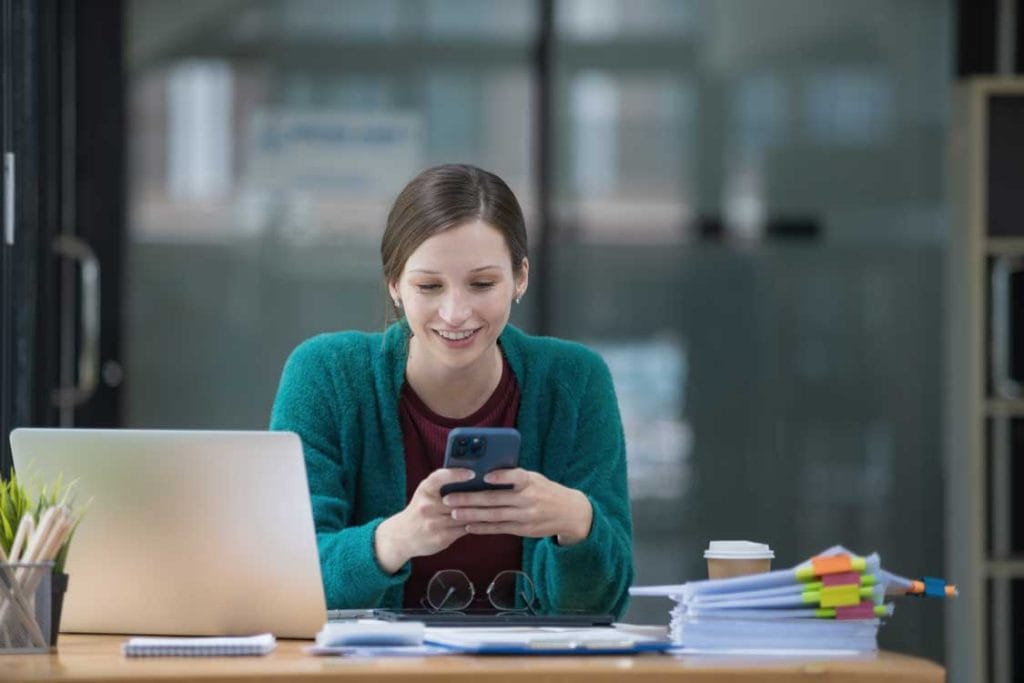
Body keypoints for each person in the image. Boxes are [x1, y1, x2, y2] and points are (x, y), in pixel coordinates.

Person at [270, 164, 633, 617]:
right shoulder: (326, 375)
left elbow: (602, 609)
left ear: (520, 277)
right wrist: (394, 540)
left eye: (482, 284)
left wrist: (578, 522)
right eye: (429, 286)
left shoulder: (575, 380)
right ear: (394, 284)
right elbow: (287, 579)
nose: (456, 312)